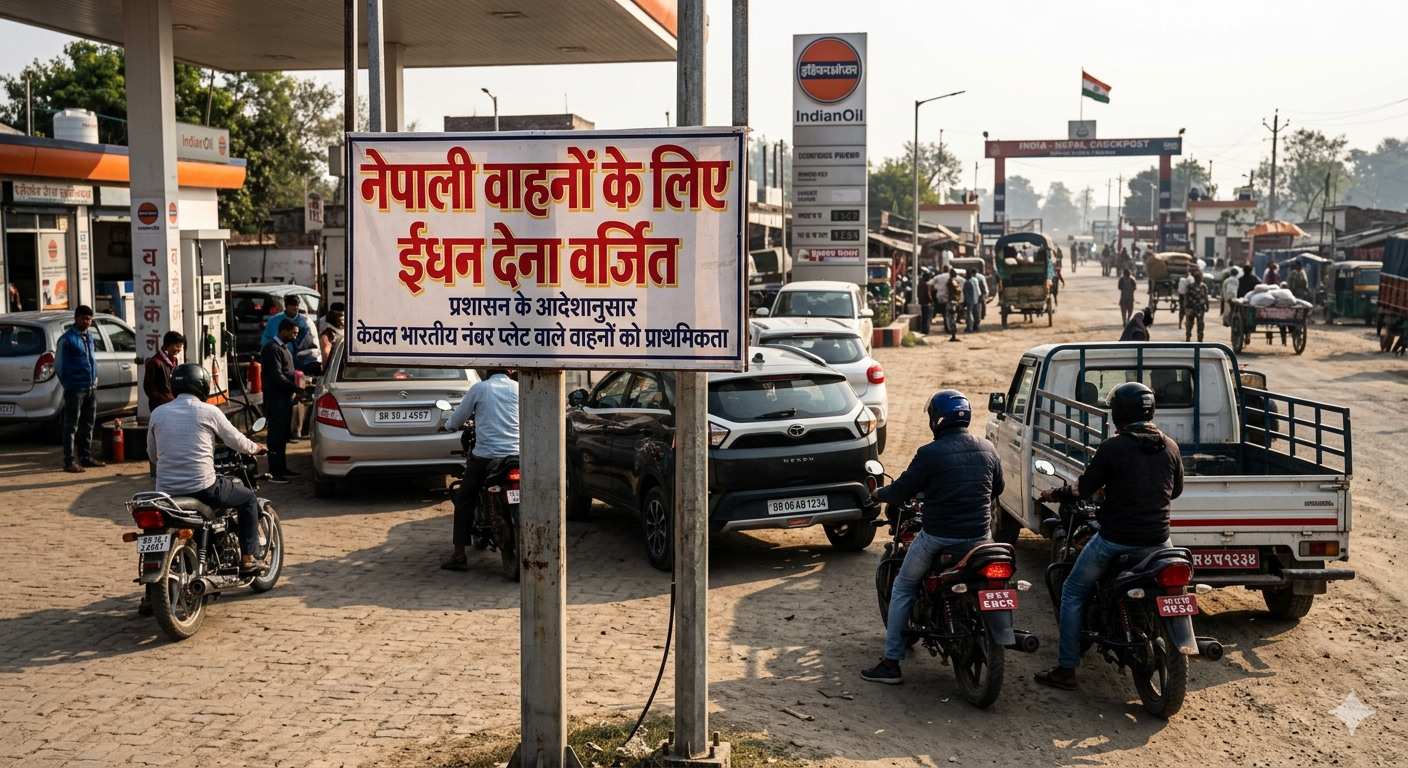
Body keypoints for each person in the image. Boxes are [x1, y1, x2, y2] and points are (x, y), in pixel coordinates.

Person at [1033, 382, 1182, 691]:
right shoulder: (1170, 446)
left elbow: (1083, 489)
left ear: (1118, 413)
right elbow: (1176, 490)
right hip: (1159, 541)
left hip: (1115, 539)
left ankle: (1066, 670)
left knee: (1073, 591)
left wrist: (1053, 493)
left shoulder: (1112, 447)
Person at [861, 390, 1003, 685]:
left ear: (936, 419)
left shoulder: (929, 453)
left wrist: (879, 493)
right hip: (981, 538)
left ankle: (890, 664)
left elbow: (902, 489)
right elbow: (996, 488)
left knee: (903, 587)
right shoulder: (988, 448)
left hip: (939, 537)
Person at [147, 363, 267, 576]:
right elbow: (236, 440)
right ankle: (249, 559)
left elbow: (153, 455)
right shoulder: (209, 411)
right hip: (203, 488)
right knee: (248, 499)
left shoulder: (158, 413)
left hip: (166, 492)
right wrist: (255, 448)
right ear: (203, 385)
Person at [442, 370, 521, 571]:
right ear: (510, 371)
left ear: (486, 371)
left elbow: (458, 418)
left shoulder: (479, 389)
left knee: (464, 498)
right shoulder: (520, 389)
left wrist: (448, 425)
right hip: (516, 457)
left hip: (485, 458)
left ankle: (459, 554)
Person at [55, 305, 105, 473]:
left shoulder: (89, 336)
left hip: (90, 387)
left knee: (88, 424)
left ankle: (85, 457)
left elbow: (91, 359)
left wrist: (94, 380)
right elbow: (59, 366)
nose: (87, 322)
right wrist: (69, 383)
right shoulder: (66, 339)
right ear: (76, 318)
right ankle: (69, 461)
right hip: (74, 388)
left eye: (89, 319)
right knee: (71, 426)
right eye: (84, 319)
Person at [260, 319, 300, 483]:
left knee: (283, 435)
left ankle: (281, 468)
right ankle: (275, 472)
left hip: (284, 398)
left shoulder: (284, 347)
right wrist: (297, 388)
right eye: (293, 333)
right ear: (284, 331)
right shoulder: (272, 349)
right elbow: (277, 377)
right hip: (276, 399)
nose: (295, 336)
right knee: (276, 437)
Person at [143, 331, 186, 413]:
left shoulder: (174, 360)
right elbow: (148, 386)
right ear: (167, 345)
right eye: (176, 348)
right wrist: (160, 398)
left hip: (172, 402)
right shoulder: (155, 362)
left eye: (179, 350)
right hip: (159, 405)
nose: (178, 351)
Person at [1184, 268, 1210, 342]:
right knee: (1189, 325)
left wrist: (1207, 306)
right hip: (1191, 308)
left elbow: (1206, 297)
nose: (1198, 279)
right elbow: (1186, 297)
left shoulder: (1204, 287)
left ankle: (1200, 340)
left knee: (1200, 325)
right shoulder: (1190, 286)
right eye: (1197, 277)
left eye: (1199, 277)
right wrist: (1186, 308)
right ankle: (1188, 338)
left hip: (1200, 309)